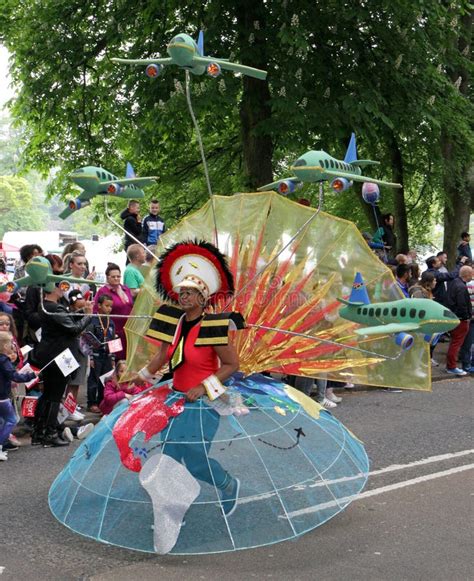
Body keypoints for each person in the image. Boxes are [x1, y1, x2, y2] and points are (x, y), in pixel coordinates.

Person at [138, 240, 241, 516]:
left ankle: (228, 484)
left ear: (202, 298)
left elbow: (231, 364)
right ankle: (170, 511)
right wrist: (142, 379)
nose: (183, 296)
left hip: (204, 404)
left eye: (189, 293)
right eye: (181, 292)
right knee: (170, 456)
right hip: (176, 398)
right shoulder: (172, 323)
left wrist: (203, 387)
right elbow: (162, 356)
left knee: (194, 461)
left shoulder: (212, 326)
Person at [32, 281, 93, 447]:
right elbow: (73, 329)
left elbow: (65, 322)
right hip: (59, 356)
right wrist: (88, 314)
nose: (64, 290)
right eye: (61, 287)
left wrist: (79, 311)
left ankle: (40, 431)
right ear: (53, 289)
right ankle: (50, 433)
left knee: (48, 395)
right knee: (55, 395)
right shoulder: (55, 308)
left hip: (49, 354)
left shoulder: (45, 306)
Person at [0, 331, 36, 460]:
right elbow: (14, 376)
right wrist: (32, 375)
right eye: (10, 343)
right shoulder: (4, 360)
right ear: (4, 346)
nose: (12, 345)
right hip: (2, 396)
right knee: (12, 419)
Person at [94, 264, 133, 360]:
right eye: (113, 276)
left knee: (127, 358)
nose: (116, 278)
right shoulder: (103, 291)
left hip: (127, 331)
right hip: (113, 332)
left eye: (118, 276)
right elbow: (96, 311)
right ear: (107, 277)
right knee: (115, 358)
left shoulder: (125, 289)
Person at [86, 293, 115, 413]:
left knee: (105, 380)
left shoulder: (111, 322)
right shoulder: (92, 320)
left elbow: (113, 340)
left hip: (107, 356)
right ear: (99, 305)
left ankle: (101, 402)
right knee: (94, 380)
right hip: (96, 356)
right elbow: (87, 339)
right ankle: (91, 403)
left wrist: (113, 358)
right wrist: (91, 357)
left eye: (110, 306)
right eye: (106, 305)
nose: (109, 308)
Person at [445, 265, 473, 376]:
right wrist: (466, 317)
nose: (472, 275)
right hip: (460, 320)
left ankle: (452, 365)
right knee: (456, 344)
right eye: (471, 273)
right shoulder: (461, 287)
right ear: (467, 274)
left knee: (455, 343)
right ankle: (451, 366)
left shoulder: (454, 283)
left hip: (454, 317)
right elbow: (462, 305)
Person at [458, 275, 474, 373]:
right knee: (468, 342)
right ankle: (467, 364)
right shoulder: (470, 284)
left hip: (469, 316)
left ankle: (468, 363)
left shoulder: (467, 284)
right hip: (470, 317)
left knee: (468, 342)